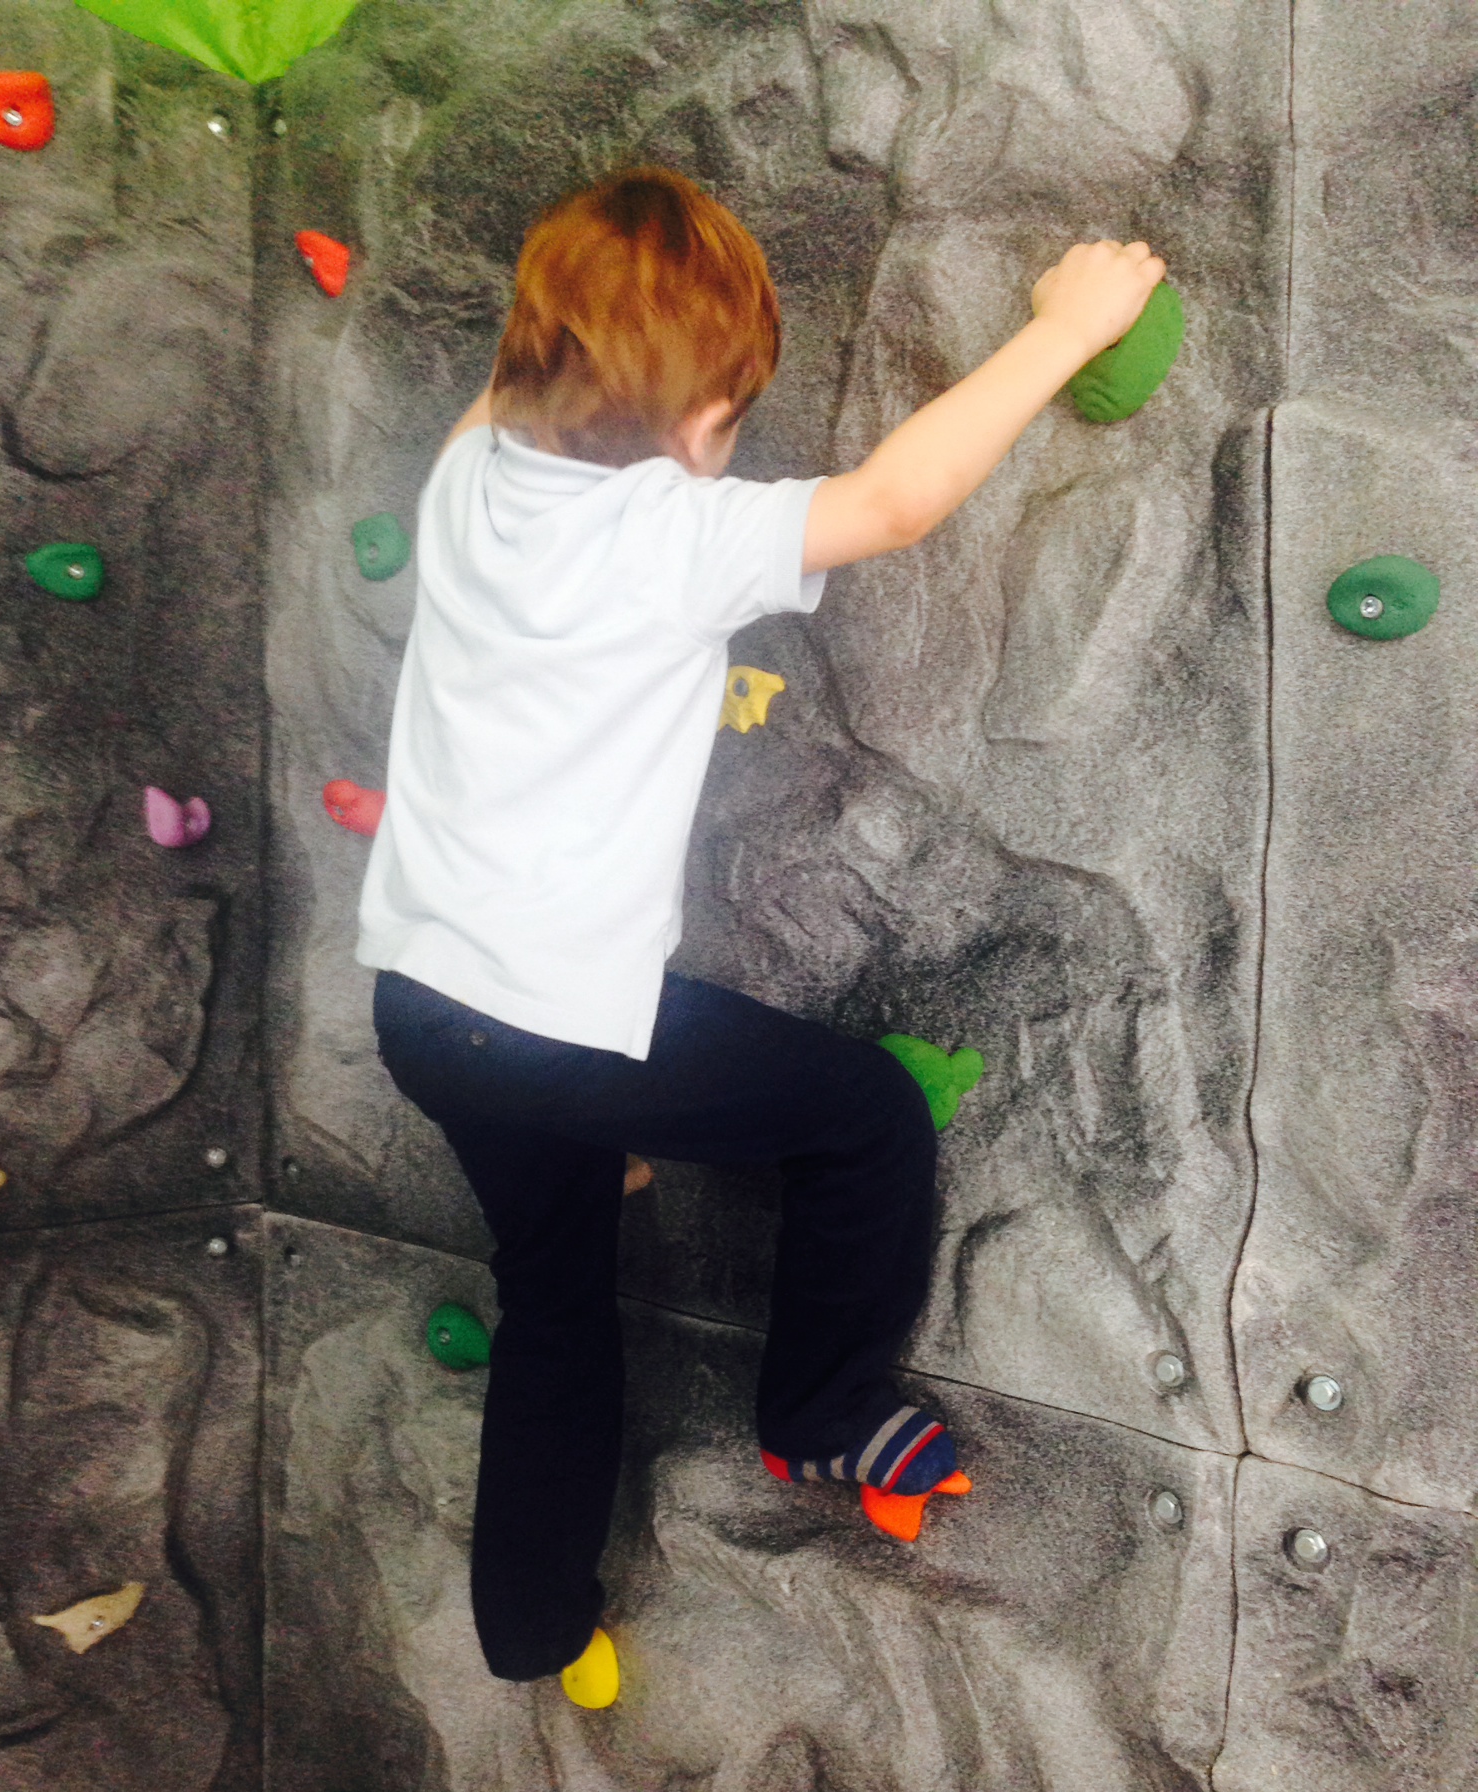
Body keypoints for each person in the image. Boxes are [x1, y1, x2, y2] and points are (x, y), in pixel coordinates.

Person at [361, 167, 1165, 1702]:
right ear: (705, 417)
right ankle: (821, 1407)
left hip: (424, 1007)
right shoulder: (670, 534)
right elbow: (897, 500)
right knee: (861, 1116)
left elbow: (524, 381)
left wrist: (593, 297)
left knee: (554, 1292)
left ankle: (532, 1625)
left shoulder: (467, 479)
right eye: (730, 409)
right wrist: (1067, 327)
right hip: (553, 1028)